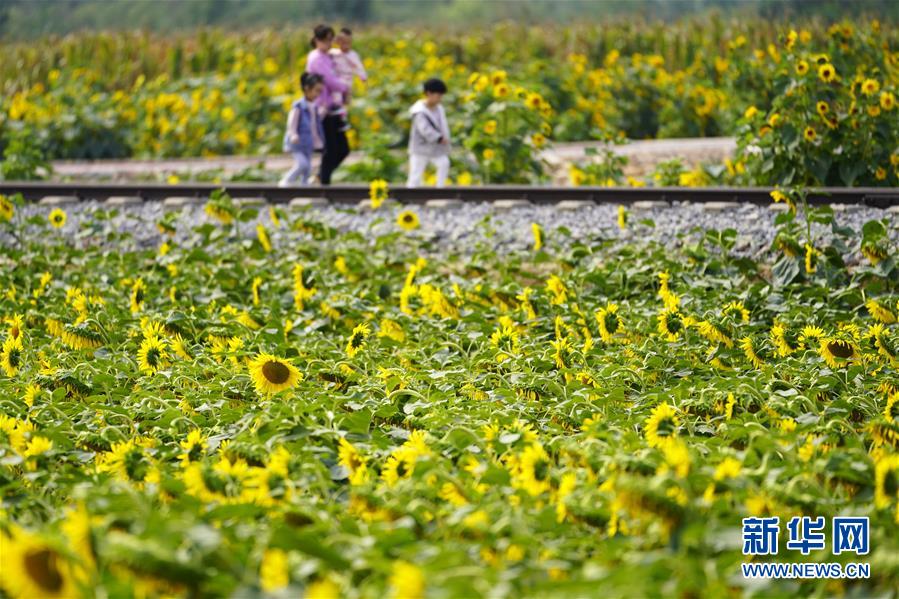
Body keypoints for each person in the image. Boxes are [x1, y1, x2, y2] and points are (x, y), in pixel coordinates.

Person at [306, 24, 350, 185]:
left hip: (334, 108)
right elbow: (328, 81)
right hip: (323, 109)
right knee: (331, 150)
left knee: (343, 149)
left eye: (331, 40)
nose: (329, 44)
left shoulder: (327, 56)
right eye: (325, 40)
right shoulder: (316, 57)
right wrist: (345, 87)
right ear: (317, 40)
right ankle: (324, 184)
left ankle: (320, 177)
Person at [278, 73, 325, 187]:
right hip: (298, 143)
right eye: (316, 91)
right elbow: (292, 124)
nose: (318, 94)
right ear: (307, 89)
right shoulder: (298, 107)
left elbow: (315, 124)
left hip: (308, 143)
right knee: (302, 164)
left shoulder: (314, 107)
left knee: (308, 167)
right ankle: (287, 180)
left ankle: (304, 185)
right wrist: (293, 134)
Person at [407, 78, 451, 187]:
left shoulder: (439, 109)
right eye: (438, 96)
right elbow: (424, 129)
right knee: (416, 175)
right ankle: (410, 196)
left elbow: (443, 125)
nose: (440, 99)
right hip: (420, 149)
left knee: (444, 164)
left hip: (436, 148)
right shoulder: (419, 111)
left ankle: (440, 190)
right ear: (428, 93)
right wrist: (439, 138)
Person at [329, 27, 368, 118]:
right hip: (336, 78)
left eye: (348, 43)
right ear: (338, 43)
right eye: (343, 43)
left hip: (347, 79)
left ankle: (345, 114)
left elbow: (358, 66)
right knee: (336, 96)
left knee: (347, 98)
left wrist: (363, 77)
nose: (346, 46)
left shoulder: (352, 55)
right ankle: (338, 111)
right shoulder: (334, 52)